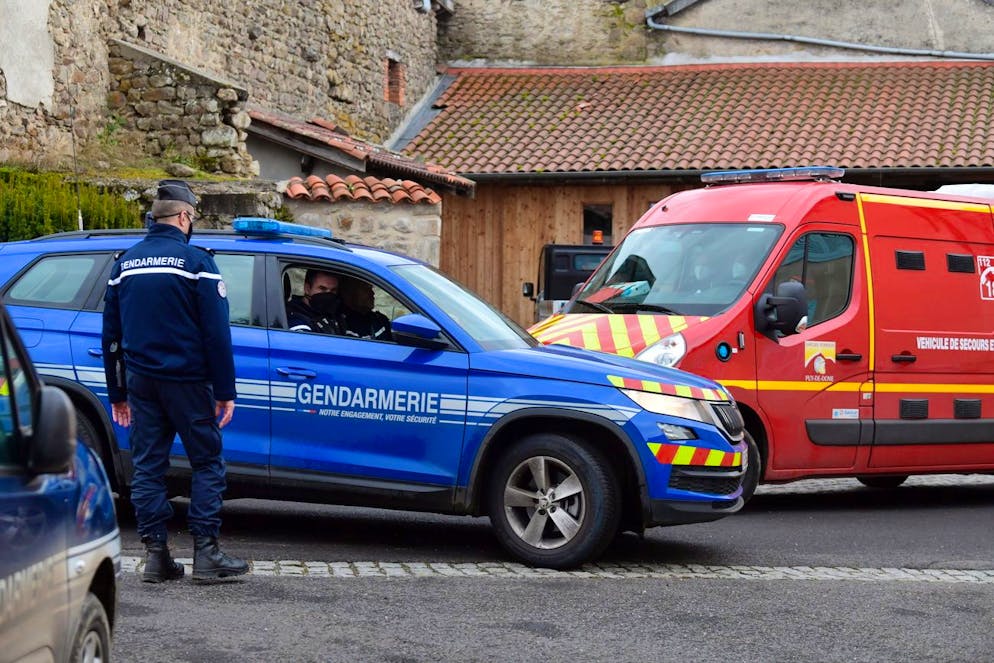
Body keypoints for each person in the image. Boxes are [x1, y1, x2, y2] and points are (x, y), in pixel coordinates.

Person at [101, 179, 248, 583]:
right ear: (184, 216)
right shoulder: (197, 263)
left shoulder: (123, 264)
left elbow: (110, 336)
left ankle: (155, 556)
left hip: (141, 383)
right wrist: (225, 392)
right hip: (187, 381)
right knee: (206, 462)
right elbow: (216, 334)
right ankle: (206, 554)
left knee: (148, 467)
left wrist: (118, 393)